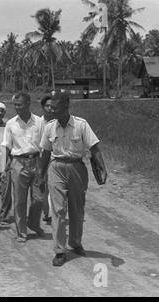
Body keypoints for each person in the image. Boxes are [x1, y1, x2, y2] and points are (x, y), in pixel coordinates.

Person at [39, 92, 107, 267]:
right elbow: (46, 152)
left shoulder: (81, 125)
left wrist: (103, 167)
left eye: (55, 107)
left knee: (77, 208)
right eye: (50, 107)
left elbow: (94, 147)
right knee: (58, 210)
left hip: (77, 167)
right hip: (56, 168)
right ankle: (59, 250)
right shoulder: (49, 127)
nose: (52, 110)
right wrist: (40, 175)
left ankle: (75, 243)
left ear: (66, 105)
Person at [2, 92, 44, 243]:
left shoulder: (40, 122)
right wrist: (4, 167)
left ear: (28, 104)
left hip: (37, 161)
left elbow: (46, 145)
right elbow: (7, 146)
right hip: (18, 163)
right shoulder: (11, 123)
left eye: (19, 104)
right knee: (19, 200)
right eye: (15, 105)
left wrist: (45, 165)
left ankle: (33, 223)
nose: (16, 107)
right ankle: (22, 232)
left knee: (39, 198)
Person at [40, 95, 54, 225]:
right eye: (47, 106)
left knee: (55, 187)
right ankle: (46, 211)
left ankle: (51, 213)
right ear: (43, 107)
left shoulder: (59, 122)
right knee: (43, 188)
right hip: (42, 159)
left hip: (56, 160)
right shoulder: (38, 123)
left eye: (52, 106)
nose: (50, 109)